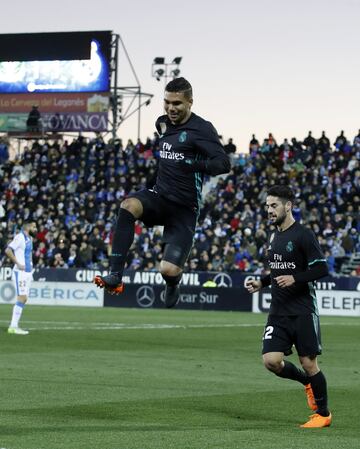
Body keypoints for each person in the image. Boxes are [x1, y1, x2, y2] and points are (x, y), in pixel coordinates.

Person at [94, 77, 231, 307]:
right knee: (128, 205)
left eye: (177, 103)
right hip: (160, 196)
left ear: (190, 103)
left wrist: (193, 164)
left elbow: (223, 164)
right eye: (167, 102)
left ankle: (172, 283)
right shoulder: (162, 124)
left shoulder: (201, 129)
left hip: (185, 208)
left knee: (168, 270)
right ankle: (116, 275)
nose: (171, 108)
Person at [245, 185, 332, 428]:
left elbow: (322, 269)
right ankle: (306, 382)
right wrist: (261, 282)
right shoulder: (274, 236)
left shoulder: (304, 234)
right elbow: (276, 272)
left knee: (309, 362)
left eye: (274, 205)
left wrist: (295, 278)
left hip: (303, 309)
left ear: (288, 206)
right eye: (267, 206)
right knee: (271, 361)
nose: (269, 210)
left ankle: (323, 415)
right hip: (279, 311)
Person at [5, 221, 38, 335]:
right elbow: (8, 250)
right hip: (21, 272)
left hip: (28, 273)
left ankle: (14, 326)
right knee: (22, 297)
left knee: (24, 298)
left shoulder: (29, 239)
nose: (36, 229)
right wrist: (17, 263)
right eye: (34, 227)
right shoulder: (20, 237)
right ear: (28, 227)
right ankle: (13, 326)